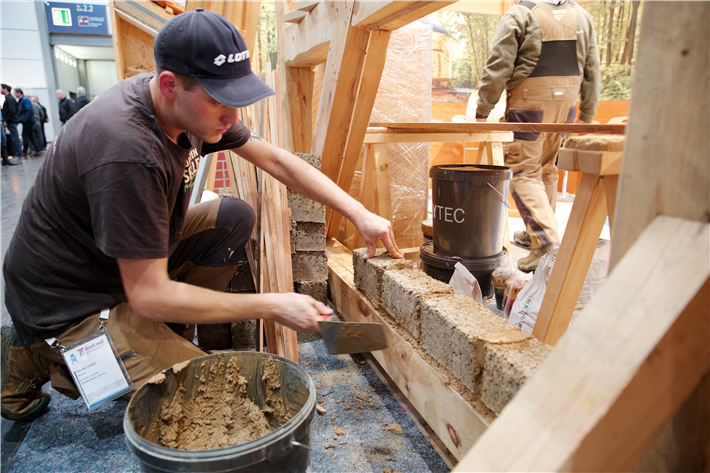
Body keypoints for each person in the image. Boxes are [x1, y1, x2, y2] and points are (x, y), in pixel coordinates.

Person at [0, 9, 402, 423]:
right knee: (223, 400)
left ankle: (156, 339)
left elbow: (278, 162)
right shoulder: (127, 150)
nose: (233, 120)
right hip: (68, 299)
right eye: (221, 103)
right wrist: (272, 304)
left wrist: (359, 212)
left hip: (112, 264)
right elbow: (149, 295)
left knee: (230, 219)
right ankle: (41, 350)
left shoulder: (186, 106)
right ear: (170, 85)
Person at [475, 0, 600, 271]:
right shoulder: (581, 15)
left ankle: (545, 242)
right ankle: (538, 235)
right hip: (565, 106)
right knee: (546, 169)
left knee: (523, 171)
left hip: (530, 105)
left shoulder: (520, 13)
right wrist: (587, 112)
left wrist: (483, 107)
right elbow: (592, 66)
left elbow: (499, 62)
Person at [13, 88, 39, 157]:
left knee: (25, 136)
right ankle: (37, 150)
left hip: (27, 121)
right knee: (30, 136)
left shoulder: (25, 100)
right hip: (26, 121)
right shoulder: (22, 100)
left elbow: (28, 110)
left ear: (19, 93)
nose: (15, 94)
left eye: (15, 93)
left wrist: (25, 119)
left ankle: (25, 151)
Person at [1, 84, 22, 159]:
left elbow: (12, 111)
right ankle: (17, 153)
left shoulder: (10, 99)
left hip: (11, 121)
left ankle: (18, 154)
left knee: (15, 137)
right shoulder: (9, 98)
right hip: (11, 120)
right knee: (14, 137)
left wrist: (6, 120)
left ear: (5, 89)